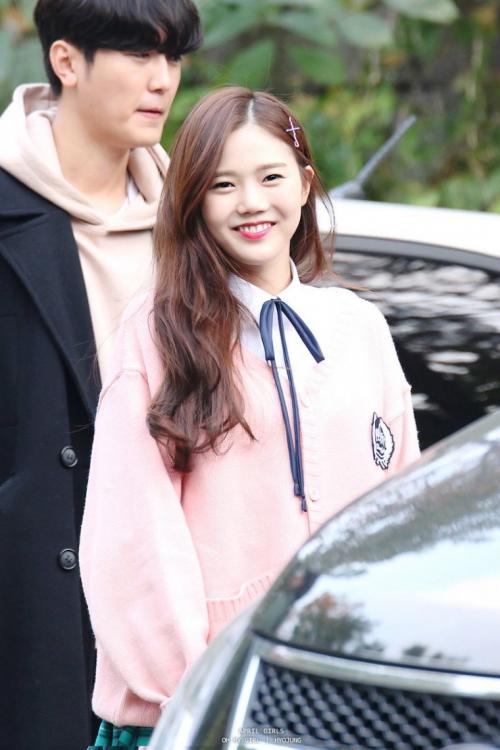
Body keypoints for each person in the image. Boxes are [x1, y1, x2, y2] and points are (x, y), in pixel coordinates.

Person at [80, 87, 420, 745]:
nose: (251, 202)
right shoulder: (157, 335)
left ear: (305, 184)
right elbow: (132, 542)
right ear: (194, 203)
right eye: (223, 184)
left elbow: (401, 515)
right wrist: (204, 696)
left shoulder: (358, 328)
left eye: (270, 177)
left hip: (347, 699)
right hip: (201, 709)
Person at [0, 1, 202, 748]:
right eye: (137, 55)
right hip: (35, 631)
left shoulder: (194, 225)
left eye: (172, 58)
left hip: (179, 625)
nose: (162, 80)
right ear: (66, 61)